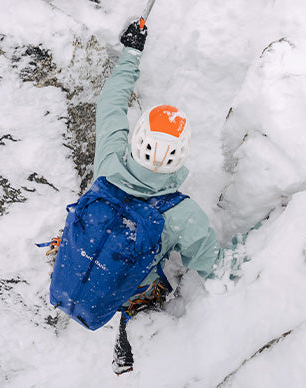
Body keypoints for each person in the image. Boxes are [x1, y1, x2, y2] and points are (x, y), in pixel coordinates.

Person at [94, 21, 223, 375]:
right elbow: (208, 261)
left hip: (90, 256)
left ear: (136, 138)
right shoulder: (183, 213)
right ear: (181, 157)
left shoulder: (108, 160)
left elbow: (110, 103)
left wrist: (132, 52)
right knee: (146, 287)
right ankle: (134, 325)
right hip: (134, 282)